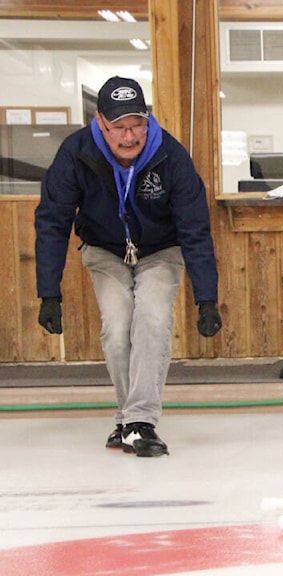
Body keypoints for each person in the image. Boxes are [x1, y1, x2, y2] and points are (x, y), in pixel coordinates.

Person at [34, 76, 222, 458]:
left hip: (160, 250)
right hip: (104, 250)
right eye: (119, 126)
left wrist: (207, 298)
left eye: (136, 124)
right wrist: (48, 293)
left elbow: (195, 229)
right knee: (118, 327)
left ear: (147, 120)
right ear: (101, 122)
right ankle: (129, 418)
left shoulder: (170, 155)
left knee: (152, 319)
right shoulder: (76, 152)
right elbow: (52, 221)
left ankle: (139, 421)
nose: (129, 135)